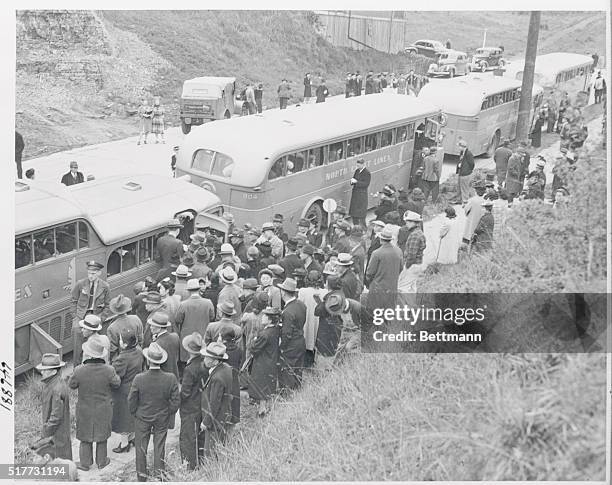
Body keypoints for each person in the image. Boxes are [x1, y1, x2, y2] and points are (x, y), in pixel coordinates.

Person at [128, 342, 180, 481]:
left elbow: (131, 400)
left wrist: (135, 413)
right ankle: (159, 475)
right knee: (159, 446)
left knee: (141, 448)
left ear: (148, 360)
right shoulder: (170, 378)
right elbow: (176, 402)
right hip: (162, 417)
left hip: (142, 417)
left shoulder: (139, 378)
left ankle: (142, 477)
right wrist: (167, 412)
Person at [69, 335, 121, 471]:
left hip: (84, 408)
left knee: (84, 436)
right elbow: (117, 383)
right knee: (102, 435)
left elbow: (72, 385)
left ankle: (85, 463)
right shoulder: (109, 370)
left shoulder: (79, 370)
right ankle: (102, 461)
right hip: (103, 408)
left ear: (87, 354)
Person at [111, 328, 144, 454]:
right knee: (132, 414)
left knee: (122, 416)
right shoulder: (138, 351)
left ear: (124, 344)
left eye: (120, 339)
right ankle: (133, 437)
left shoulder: (122, 358)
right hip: (135, 386)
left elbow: (115, 374)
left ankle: (124, 443)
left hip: (123, 391)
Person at [71, 260, 110, 366]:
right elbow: (73, 300)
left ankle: (91, 366)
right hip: (81, 316)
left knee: (94, 343)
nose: (90, 276)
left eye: (93, 273)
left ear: (99, 273)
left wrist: (101, 318)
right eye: (89, 273)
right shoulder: (80, 284)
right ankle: (76, 369)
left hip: (96, 316)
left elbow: (107, 305)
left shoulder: (105, 286)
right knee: (78, 346)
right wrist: (75, 317)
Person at [200, 341, 234, 457]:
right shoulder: (226, 368)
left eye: (206, 357)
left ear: (214, 360)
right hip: (224, 415)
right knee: (220, 447)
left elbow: (214, 403)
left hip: (216, 420)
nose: (204, 359)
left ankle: (212, 473)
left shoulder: (217, 378)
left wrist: (206, 421)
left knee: (210, 451)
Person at [36, 354, 72, 461]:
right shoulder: (53, 383)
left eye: (45, 370)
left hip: (57, 431)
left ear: (53, 372)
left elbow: (56, 416)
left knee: (61, 458)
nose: (42, 372)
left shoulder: (56, 388)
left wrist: (46, 431)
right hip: (56, 430)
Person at [179, 332, 207, 470]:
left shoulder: (189, 369)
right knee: (200, 435)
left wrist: (175, 401)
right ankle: (200, 461)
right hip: (200, 403)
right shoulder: (203, 363)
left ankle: (189, 465)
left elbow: (185, 392)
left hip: (190, 407)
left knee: (188, 437)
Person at [175, 278, 215, 368]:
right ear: (199, 289)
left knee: (187, 362)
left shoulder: (183, 304)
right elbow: (212, 317)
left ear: (189, 291)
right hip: (203, 335)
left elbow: (178, 320)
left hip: (187, 337)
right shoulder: (208, 303)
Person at [248, 306, 281, 416]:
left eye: (265, 316)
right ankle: (265, 407)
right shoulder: (275, 330)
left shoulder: (264, 334)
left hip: (262, 362)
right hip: (271, 360)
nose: (262, 318)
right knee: (267, 385)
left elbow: (254, 348)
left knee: (261, 385)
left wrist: (254, 340)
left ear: (270, 320)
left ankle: (262, 410)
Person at [276, 278, 307, 391]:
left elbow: (286, 333)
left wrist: (282, 347)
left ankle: (287, 395)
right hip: (300, 340)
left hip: (291, 345)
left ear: (283, 292)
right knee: (298, 369)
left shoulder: (288, 311)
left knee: (287, 370)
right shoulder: (301, 305)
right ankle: (297, 392)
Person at [365, 225, 403, 313]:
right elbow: (400, 268)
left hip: (378, 286)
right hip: (392, 286)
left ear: (381, 240)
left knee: (374, 311)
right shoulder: (398, 251)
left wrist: (370, 281)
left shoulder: (376, 253)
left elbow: (369, 273)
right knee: (388, 311)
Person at [106, 294, 143, 361]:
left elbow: (112, 349)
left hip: (122, 358)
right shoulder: (136, 318)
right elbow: (141, 339)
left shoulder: (112, 327)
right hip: (138, 355)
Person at [397, 211, 426, 294]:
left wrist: (406, 267)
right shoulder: (419, 233)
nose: (407, 224)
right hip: (418, 264)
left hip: (412, 265)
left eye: (409, 221)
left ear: (416, 223)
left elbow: (412, 255)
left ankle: (404, 306)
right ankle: (412, 305)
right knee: (412, 288)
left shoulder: (414, 235)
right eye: (407, 221)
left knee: (402, 288)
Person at [462, 180, 487, 246]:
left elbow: (466, 210)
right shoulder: (486, 200)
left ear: (476, 190)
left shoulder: (472, 200)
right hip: (481, 223)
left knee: (470, 234)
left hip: (472, 221)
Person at [349, 158, 371, 227]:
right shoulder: (357, 171)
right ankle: (356, 227)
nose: (358, 167)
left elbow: (366, 184)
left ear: (363, 164)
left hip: (362, 196)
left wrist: (357, 182)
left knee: (361, 216)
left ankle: (363, 229)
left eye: (359, 165)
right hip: (355, 195)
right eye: (357, 165)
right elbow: (353, 178)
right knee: (354, 215)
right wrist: (352, 181)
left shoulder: (367, 173)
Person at [454, 140, 474, 205]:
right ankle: (459, 200)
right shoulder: (462, 152)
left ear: (462, 146)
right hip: (461, 172)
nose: (458, 148)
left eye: (459, 146)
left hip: (465, 173)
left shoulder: (468, 153)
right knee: (459, 187)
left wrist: (468, 170)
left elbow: (472, 164)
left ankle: (465, 201)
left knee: (464, 187)